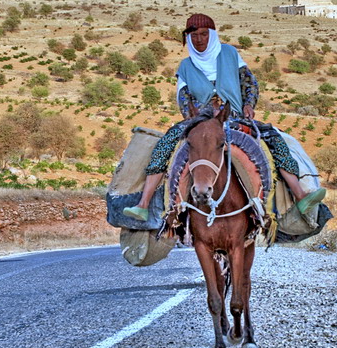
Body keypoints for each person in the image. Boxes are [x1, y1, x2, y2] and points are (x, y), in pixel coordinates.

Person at [123, 13, 325, 221]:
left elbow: (250, 83)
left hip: (236, 118)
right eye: (193, 35)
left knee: (275, 140)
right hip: (200, 123)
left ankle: (300, 196)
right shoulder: (185, 66)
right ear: (188, 39)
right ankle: (144, 204)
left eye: (203, 34)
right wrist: (197, 119)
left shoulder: (229, 54)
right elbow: (183, 99)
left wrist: (248, 104)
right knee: (164, 146)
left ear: (212, 35)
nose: (199, 39)